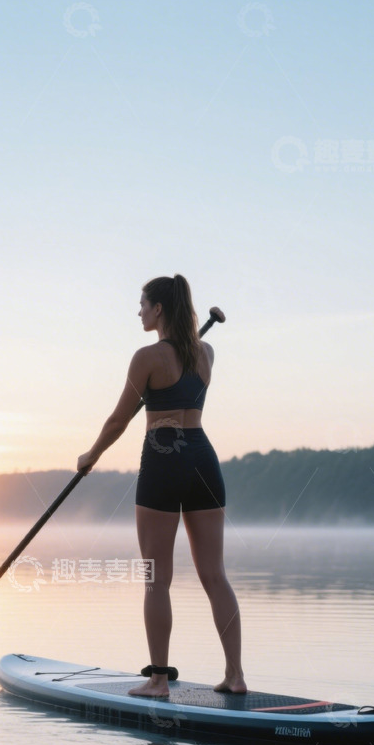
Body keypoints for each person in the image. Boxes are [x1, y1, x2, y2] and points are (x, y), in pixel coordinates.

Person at [76, 274, 246, 697]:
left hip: (163, 461)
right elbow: (183, 370)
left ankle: (157, 680)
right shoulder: (206, 352)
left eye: (142, 304)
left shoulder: (147, 357)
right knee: (215, 576)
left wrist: (91, 455)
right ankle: (235, 676)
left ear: (158, 310)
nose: (138, 311)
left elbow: (118, 420)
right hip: (203, 460)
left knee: (156, 579)